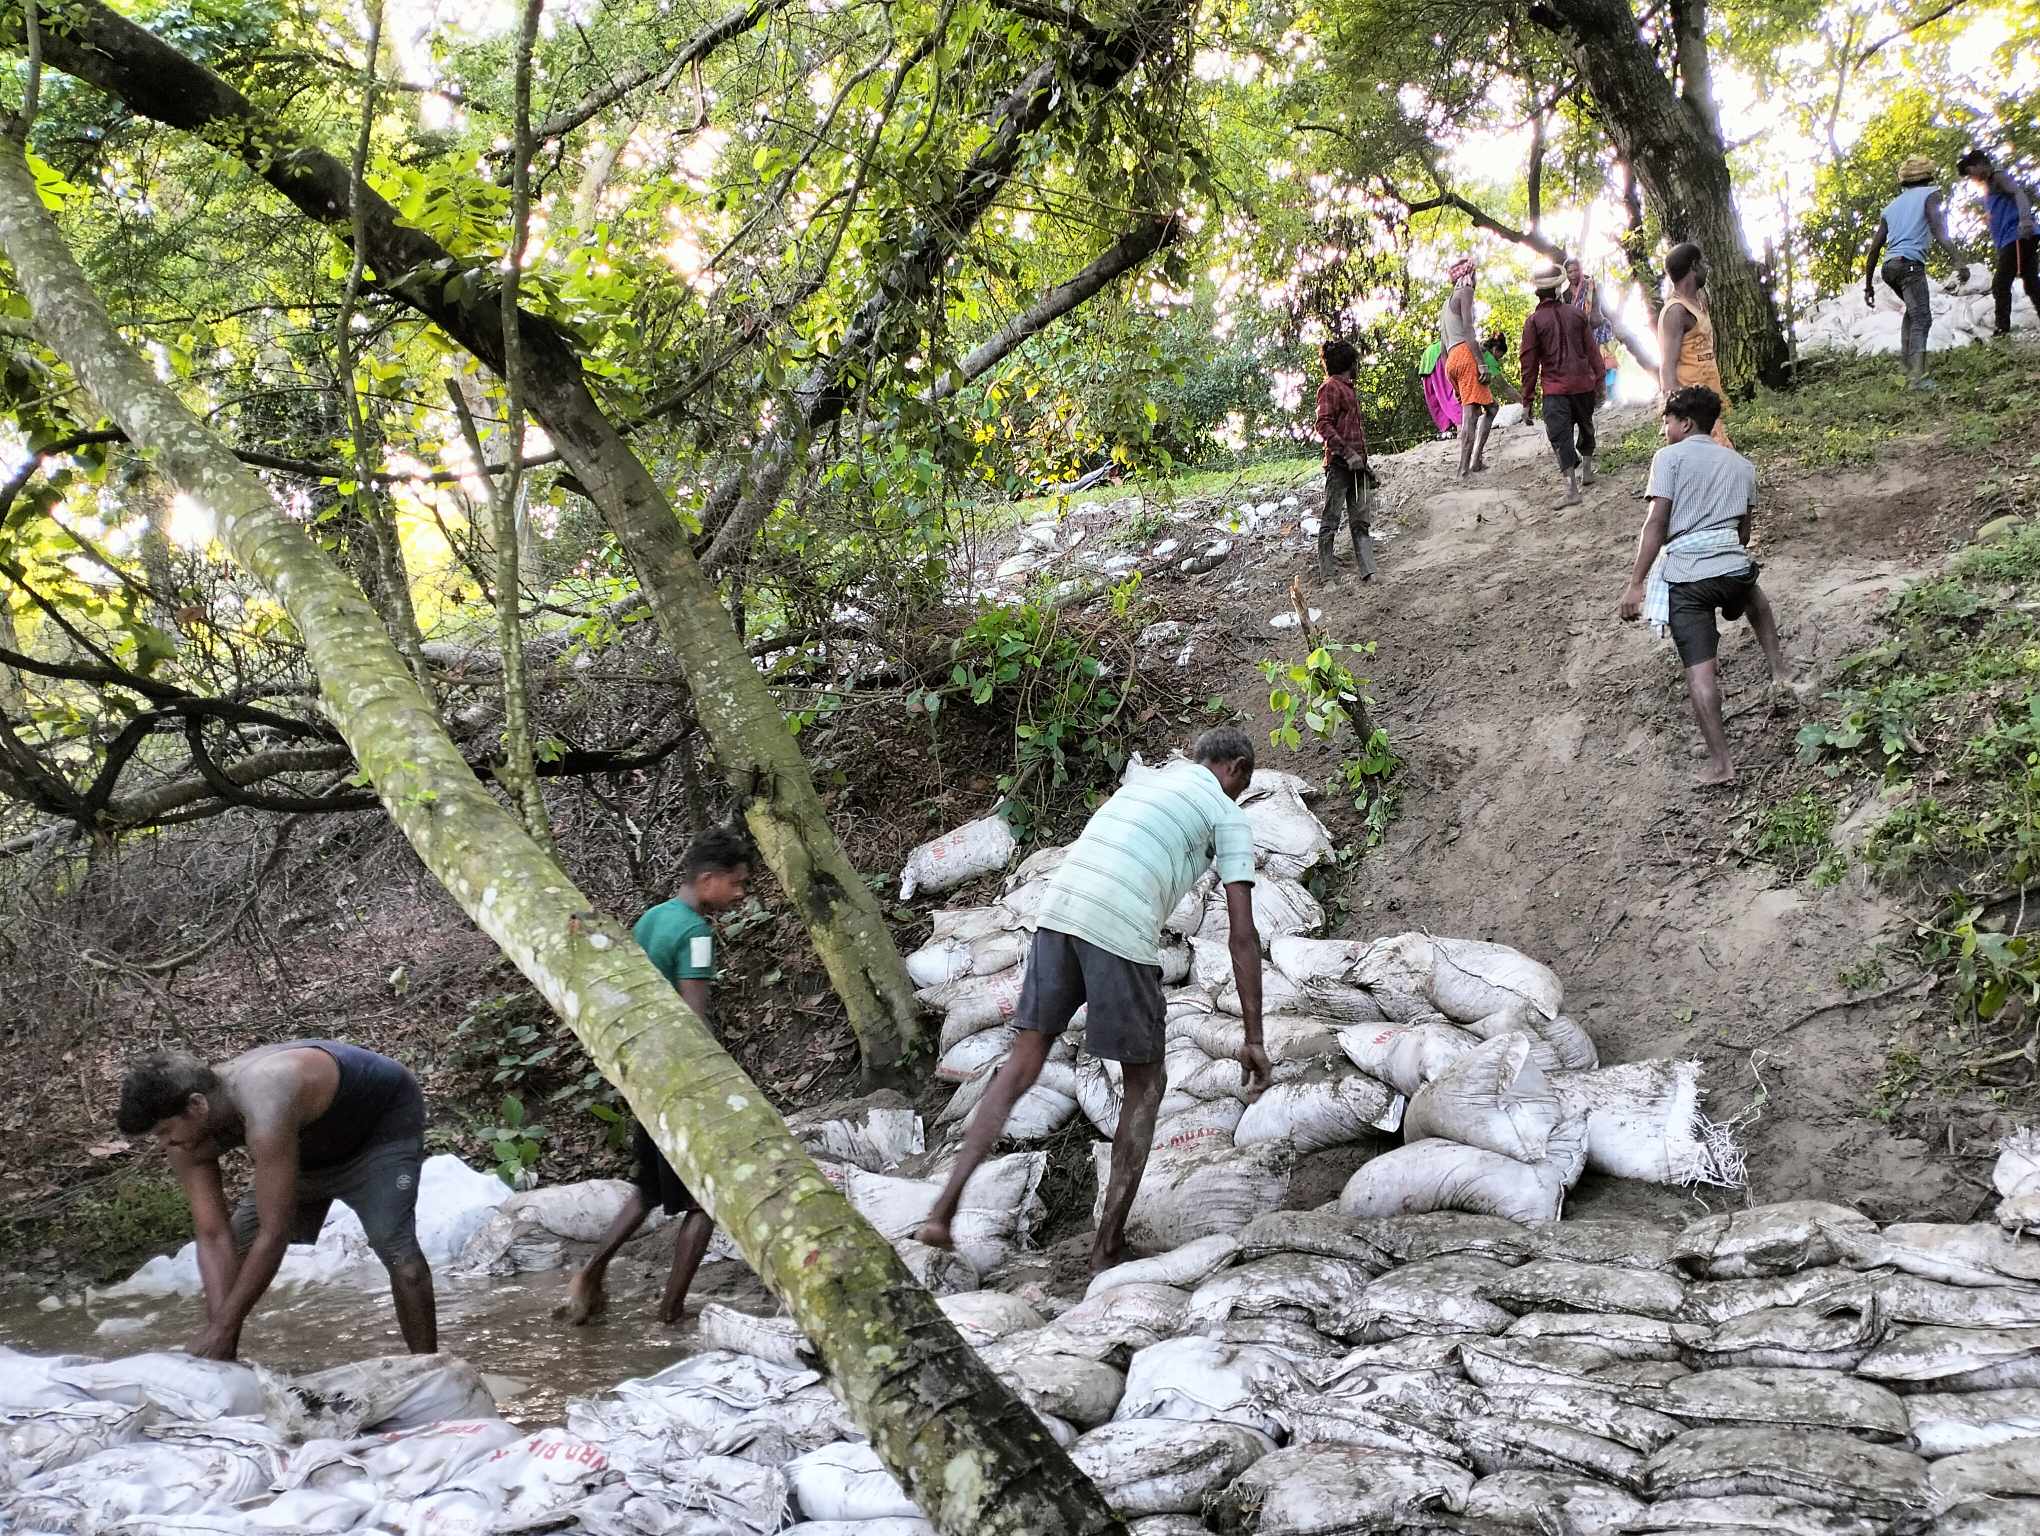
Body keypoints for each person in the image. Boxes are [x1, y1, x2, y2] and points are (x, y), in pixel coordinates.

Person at [917, 729, 1271, 1274]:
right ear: (1239, 770)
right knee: (1146, 1086)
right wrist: (1252, 1037)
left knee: (1021, 1064)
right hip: (1120, 932)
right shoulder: (1228, 816)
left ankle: (943, 1209)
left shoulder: (1146, 783)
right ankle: (1106, 1246)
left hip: (1056, 917)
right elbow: (1242, 935)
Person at [116, 1041, 435, 1360]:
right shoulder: (184, 1140)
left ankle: (430, 1372)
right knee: (239, 1249)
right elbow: (213, 1236)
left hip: (378, 1133)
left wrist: (223, 1328)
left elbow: (275, 1232)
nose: (164, 1144)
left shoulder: (264, 1096)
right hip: (301, 1150)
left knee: (400, 1257)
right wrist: (218, 1333)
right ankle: (223, 1360)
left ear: (197, 1105)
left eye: (165, 1131)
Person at [558, 826, 755, 1327]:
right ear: (707, 879)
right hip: (676, 1080)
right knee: (705, 1201)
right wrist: (715, 1079)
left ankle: (590, 1272)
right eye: (736, 884)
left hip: (641, 1073)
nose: (740, 895)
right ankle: (670, 1309)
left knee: (647, 1189)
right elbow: (693, 1016)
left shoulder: (652, 918)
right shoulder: (695, 933)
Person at [1617, 386, 1794, 788]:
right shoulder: (1742, 464)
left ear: (1685, 423)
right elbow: (1744, 534)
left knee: (1700, 674)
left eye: (1666, 422)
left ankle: (1722, 764)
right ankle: (1779, 670)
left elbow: (1656, 525)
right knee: (1755, 599)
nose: (1664, 429)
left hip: (1688, 579)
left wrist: (1636, 583)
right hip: (1732, 568)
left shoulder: (1668, 459)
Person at [1863, 155, 1970, 390]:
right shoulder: (1930, 195)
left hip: (1889, 267)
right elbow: (1939, 230)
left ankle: (1906, 366)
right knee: (1923, 317)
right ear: (1929, 178)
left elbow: (1873, 250)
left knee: (1913, 313)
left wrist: (1869, 285)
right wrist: (1958, 261)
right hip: (1910, 265)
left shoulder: (1890, 207)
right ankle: (1917, 378)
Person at [1520, 261, 1608, 508]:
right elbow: (1593, 352)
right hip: (1583, 384)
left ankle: (1572, 489)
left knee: (1560, 436)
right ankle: (1588, 471)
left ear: (1537, 292)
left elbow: (1529, 365)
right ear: (1559, 289)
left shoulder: (1534, 322)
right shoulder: (1577, 315)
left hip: (1555, 390)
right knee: (1586, 425)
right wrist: (1600, 381)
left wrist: (1526, 401)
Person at [1313, 338, 1377, 585]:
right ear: (1350, 364)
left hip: (1357, 467)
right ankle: (1327, 575)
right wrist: (1348, 454)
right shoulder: (1330, 387)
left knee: (1360, 521)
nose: (1358, 367)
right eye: (1356, 363)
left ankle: (1368, 571)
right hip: (1340, 466)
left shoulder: (1348, 388)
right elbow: (1323, 424)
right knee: (1330, 520)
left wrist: (1362, 462)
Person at [1656, 243, 1734, 446]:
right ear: (1694, 266)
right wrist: (1678, 417)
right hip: (1693, 415)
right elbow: (1667, 369)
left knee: (1721, 468)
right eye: (1703, 263)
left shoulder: (1699, 303)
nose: (1707, 268)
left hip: (1707, 406)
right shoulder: (1676, 312)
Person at [1957, 148, 2039, 338]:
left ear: (1980, 165)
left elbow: (2018, 193)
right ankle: (2003, 329)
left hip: (2016, 236)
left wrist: (2025, 219)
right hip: (2012, 239)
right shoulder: (1989, 185)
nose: (1972, 178)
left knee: (2001, 284)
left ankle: (2002, 330)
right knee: (2031, 284)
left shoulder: (1998, 177)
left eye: (1971, 173)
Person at [1440, 255, 1496, 481]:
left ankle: (1475, 461)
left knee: (1491, 409)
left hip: (1451, 360)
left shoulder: (1446, 304)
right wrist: (1481, 361)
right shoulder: (1466, 291)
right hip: (1465, 354)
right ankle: (1465, 467)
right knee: (1471, 415)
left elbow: (1443, 346)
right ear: (1470, 273)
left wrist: (1451, 379)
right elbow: (1469, 329)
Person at [1564, 255, 1619, 400]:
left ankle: (1613, 398)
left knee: (1607, 365)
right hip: (1581, 337)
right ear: (1566, 274)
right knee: (1588, 369)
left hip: (1599, 331)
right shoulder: (1565, 295)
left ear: (1581, 270)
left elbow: (1606, 307)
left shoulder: (1593, 286)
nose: (1574, 274)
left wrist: (1615, 327)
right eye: (1570, 271)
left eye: (1576, 270)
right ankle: (1597, 399)